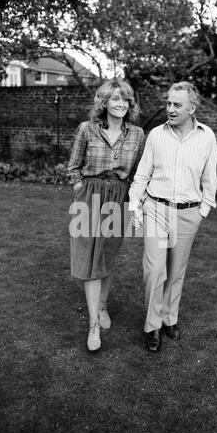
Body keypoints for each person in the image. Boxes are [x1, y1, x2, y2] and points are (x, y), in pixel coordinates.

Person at [129, 81, 217, 351]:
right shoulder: (156, 134)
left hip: (188, 213)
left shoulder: (206, 136)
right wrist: (135, 205)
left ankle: (170, 318)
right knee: (154, 270)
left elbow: (210, 178)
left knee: (176, 271)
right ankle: (153, 326)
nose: (170, 108)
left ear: (192, 108)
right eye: (168, 103)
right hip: (155, 208)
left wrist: (202, 210)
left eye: (176, 104)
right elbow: (143, 172)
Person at [67, 78, 145, 352]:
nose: (121, 104)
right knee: (89, 256)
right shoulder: (86, 129)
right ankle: (93, 325)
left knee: (106, 256)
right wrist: (81, 187)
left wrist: (133, 200)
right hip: (89, 196)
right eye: (115, 99)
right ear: (104, 102)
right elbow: (73, 167)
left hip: (119, 196)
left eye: (125, 99)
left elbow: (138, 173)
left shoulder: (137, 134)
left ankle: (102, 306)